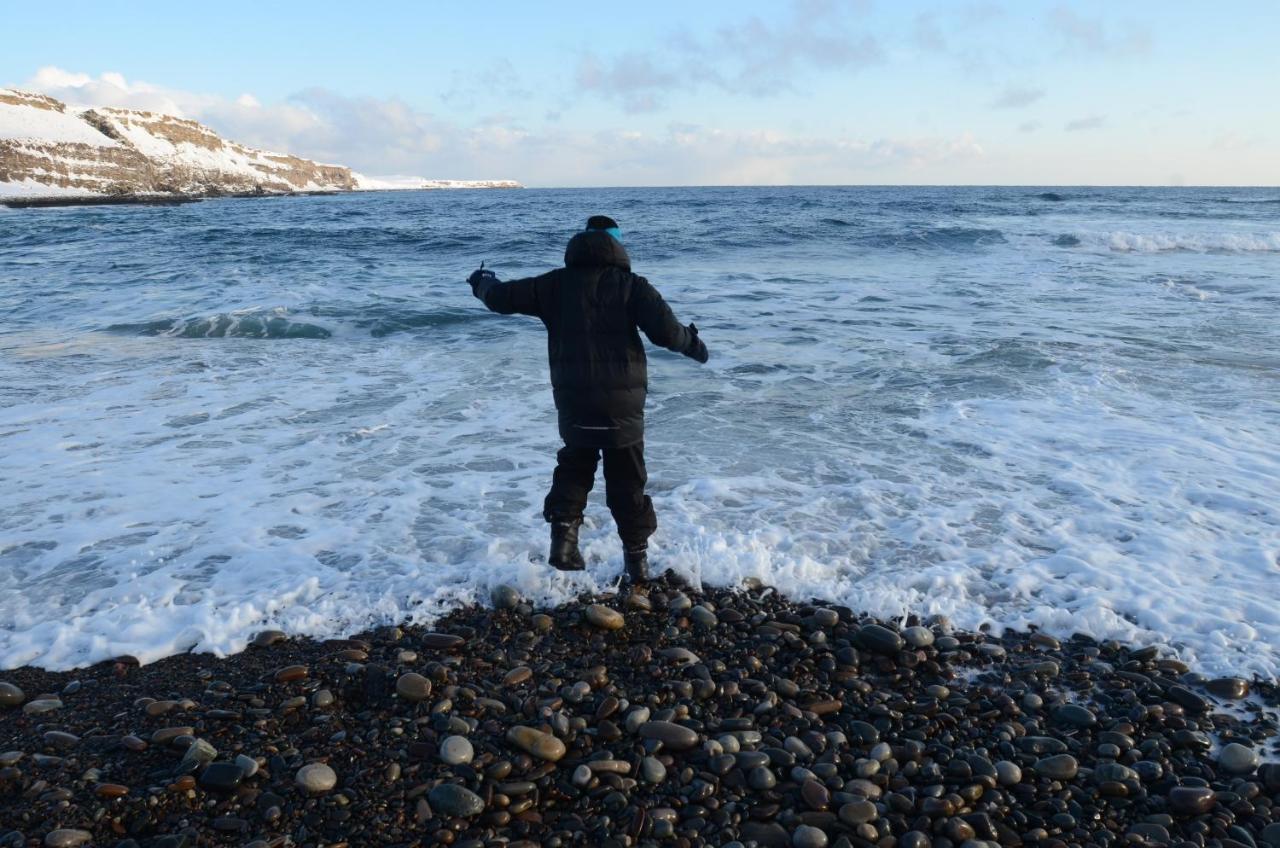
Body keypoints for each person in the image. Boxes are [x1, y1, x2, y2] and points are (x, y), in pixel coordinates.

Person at [467, 215, 709, 583]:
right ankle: (637, 565)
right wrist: (696, 346)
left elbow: (500, 299)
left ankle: (564, 541)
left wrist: (482, 282)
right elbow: (667, 334)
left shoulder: (553, 285)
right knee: (628, 479)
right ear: (618, 246)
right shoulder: (632, 286)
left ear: (578, 244)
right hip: (623, 407)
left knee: (575, 463)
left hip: (574, 400)